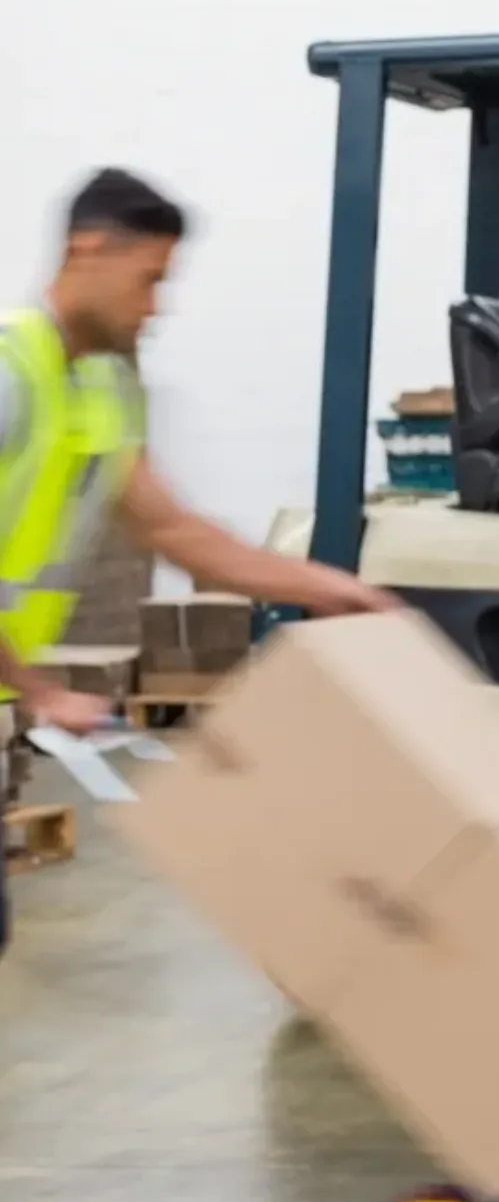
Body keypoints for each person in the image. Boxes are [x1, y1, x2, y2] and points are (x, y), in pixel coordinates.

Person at [0, 168, 396, 957]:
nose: (157, 306)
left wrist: (328, 589)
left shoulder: (103, 386)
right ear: (88, 248)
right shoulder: (13, 376)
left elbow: (173, 529)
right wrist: (43, 691)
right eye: (149, 279)